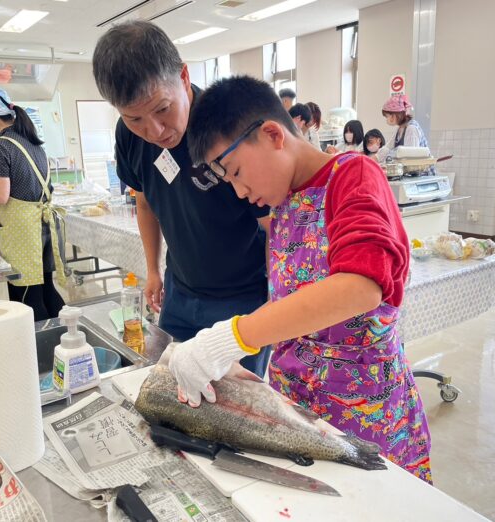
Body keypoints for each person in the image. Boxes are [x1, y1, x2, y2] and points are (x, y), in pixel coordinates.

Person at [170, 75, 433, 484]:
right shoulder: (286, 206)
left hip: (363, 410)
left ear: (273, 134)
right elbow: (293, 302)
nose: (239, 192)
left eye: (237, 172)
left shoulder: (354, 177)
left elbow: (360, 286)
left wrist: (231, 337)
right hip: (296, 407)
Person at [92, 21, 271, 377]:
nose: (154, 131)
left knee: (231, 409)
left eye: (162, 109)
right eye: (134, 118)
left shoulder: (227, 130)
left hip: (240, 299)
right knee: (169, 385)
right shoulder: (130, 137)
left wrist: (273, 302)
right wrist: (153, 270)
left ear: (184, 76)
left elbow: (272, 223)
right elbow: (144, 202)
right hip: (180, 290)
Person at [0, 87, 66, 321]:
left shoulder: (0, 145)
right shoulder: (32, 143)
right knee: (47, 289)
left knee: (28, 297)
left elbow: (0, 194)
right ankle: (64, 340)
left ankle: (38, 351)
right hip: (42, 225)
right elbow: (24, 186)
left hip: (23, 231)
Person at [382, 94, 435, 174]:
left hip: (422, 177)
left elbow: (410, 161)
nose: (387, 119)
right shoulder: (399, 129)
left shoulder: (411, 129)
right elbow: (387, 148)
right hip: (410, 175)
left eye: (387, 116)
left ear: (394, 115)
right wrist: (374, 158)